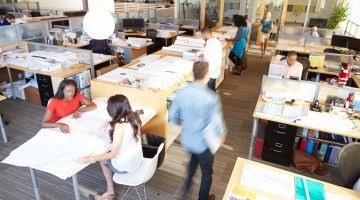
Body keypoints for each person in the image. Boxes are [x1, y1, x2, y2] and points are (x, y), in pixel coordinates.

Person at [169, 61, 226, 200]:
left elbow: (172, 115)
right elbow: (218, 123)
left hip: (188, 139)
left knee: (193, 163)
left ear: (194, 74)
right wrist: (222, 136)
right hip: (204, 142)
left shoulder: (181, 92)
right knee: (207, 172)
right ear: (207, 75)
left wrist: (180, 122)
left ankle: (185, 191)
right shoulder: (211, 97)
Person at [81, 94, 143, 200]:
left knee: (103, 161)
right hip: (137, 160)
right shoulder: (135, 116)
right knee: (110, 150)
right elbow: (140, 111)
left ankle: (110, 192)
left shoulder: (120, 127)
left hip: (126, 166)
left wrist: (91, 159)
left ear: (114, 110)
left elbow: (113, 154)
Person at [201, 27, 223, 91]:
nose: (202, 38)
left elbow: (206, 58)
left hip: (210, 70)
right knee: (212, 87)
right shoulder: (217, 41)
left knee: (210, 91)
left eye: (202, 36)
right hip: (216, 69)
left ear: (205, 34)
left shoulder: (209, 44)